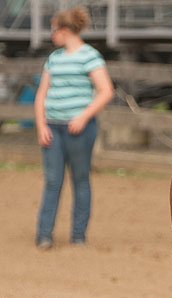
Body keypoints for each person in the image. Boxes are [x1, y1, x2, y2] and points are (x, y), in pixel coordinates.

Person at [33, 6, 113, 249]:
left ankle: (78, 235)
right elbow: (41, 96)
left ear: (65, 30)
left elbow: (106, 91)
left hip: (79, 129)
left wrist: (83, 117)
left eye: (54, 29)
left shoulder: (90, 57)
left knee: (80, 179)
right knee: (53, 180)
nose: (52, 35)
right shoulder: (54, 59)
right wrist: (41, 125)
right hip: (53, 128)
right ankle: (44, 234)